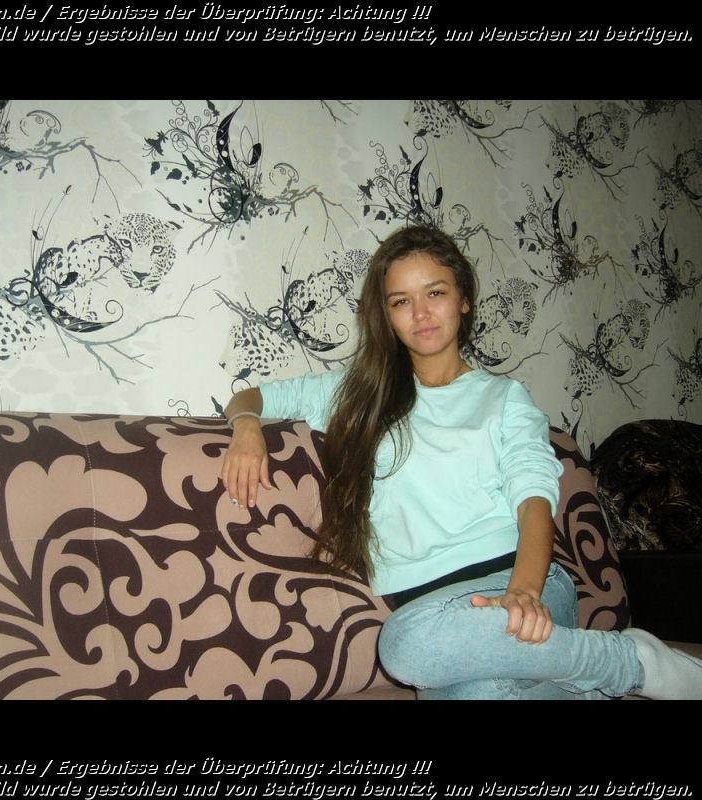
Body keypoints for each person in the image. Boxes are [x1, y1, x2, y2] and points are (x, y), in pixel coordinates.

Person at [221, 224, 702, 700]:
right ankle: (622, 669)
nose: (421, 313)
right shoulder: (359, 394)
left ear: (464, 300)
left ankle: (625, 664)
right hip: (437, 619)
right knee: (475, 692)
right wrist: (245, 428)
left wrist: (523, 592)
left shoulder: (504, 398)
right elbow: (251, 398)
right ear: (386, 315)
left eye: (435, 293)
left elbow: (534, 500)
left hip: (519, 581)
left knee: (402, 646)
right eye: (401, 301)